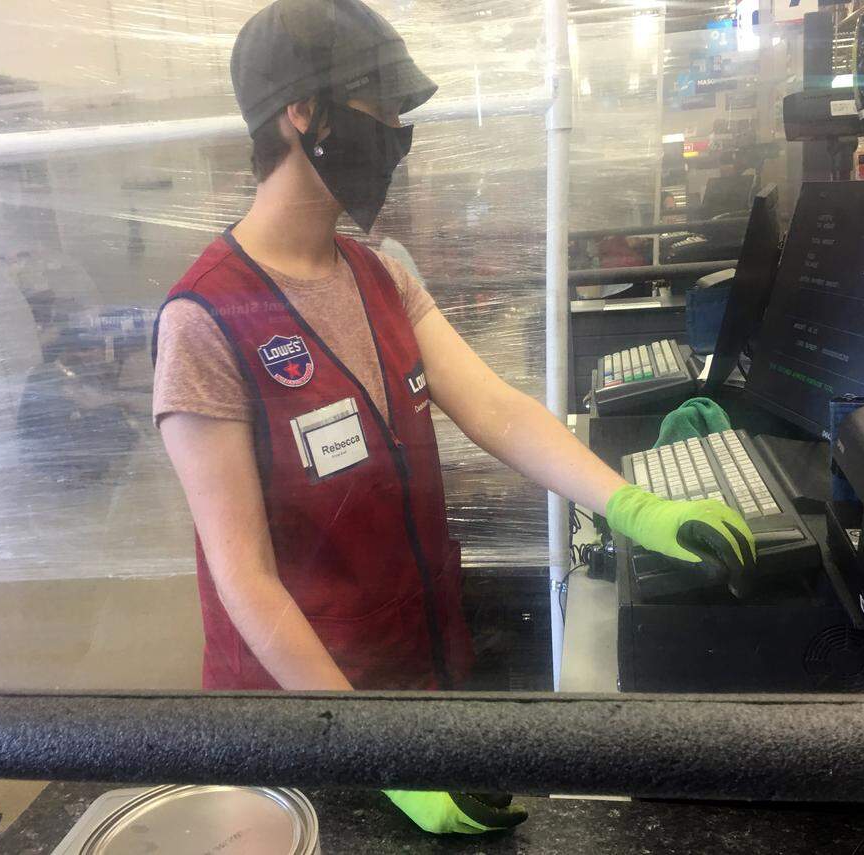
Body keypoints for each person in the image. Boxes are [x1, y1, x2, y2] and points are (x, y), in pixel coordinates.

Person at [152, 0, 756, 835]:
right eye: (382, 106)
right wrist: (368, 752)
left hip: (406, 684)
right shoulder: (204, 319)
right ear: (303, 113)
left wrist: (633, 506)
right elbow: (244, 576)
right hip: (295, 742)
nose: (399, 131)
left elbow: (497, 410)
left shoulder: (380, 274)